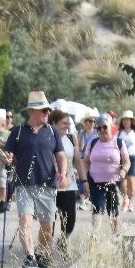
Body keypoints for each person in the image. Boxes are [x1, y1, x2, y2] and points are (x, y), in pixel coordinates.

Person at [4, 91, 69, 268]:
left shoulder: (52, 132)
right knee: (25, 220)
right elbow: (8, 156)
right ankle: (30, 257)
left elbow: (61, 155)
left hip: (47, 185)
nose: (48, 114)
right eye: (44, 111)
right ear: (32, 111)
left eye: (48, 111)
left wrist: (62, 172)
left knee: (47, 226)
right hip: (24, 184)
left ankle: (41, 252)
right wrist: (7, 160)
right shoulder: (17, 132)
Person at [81, 113, 129, 233]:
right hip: (94, 181)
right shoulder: (92, 143)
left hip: (112, 182)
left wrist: (123, 170)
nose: (102, 130)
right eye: (99, 128)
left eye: (104, 127)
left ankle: (115, 235)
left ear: (110, 126)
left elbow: (127, 162)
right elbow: (85, 162)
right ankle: (95, 236)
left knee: (113, 211)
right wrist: (84, 180)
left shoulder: (118, 142)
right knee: (97, 209)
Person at [49, 110, 79, 258]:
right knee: (50, 220)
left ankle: (63, 240)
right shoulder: (46, 138)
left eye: (68, 123)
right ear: (53, 123)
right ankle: (47, 249)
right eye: (64, 123)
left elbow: (78, 160)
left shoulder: (71, 138)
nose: (67, 126)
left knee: (70, 220)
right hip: (50, 185)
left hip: (69, 185)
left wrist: (84, 181)